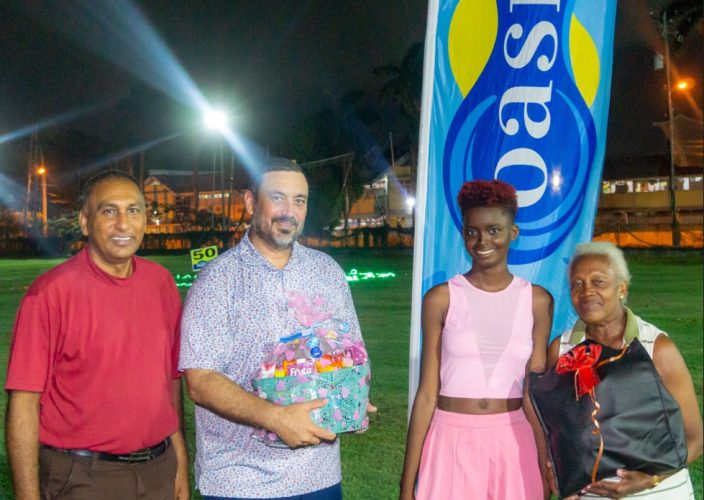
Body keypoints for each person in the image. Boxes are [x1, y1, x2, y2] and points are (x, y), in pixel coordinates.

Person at [180, 158, 369, 499]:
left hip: (319, 475)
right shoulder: (217, 280)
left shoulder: (327, 273)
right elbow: (201, 380)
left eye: (300, 200)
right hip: (240, 480)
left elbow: (349, 355)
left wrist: (351, 395)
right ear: (251, 201)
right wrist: (275, 417)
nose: (290, 211)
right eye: (278, 198)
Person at [5, 170, 189, 500]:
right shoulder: (49, 294)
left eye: (134, 210)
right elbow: (23, 403)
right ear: (85, 222)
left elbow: (170, 383)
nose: (123, 223)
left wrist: (179, 463)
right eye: (109, 211)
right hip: (84, 479)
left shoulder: (162, 284)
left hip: (158, 471)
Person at [400, 179, 553, 500]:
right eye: (472, 231)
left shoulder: (537, 301)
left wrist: (545, 460)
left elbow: (533, 394)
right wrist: (406, 487)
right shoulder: (441, 299)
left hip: (514, 440)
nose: (482, 240)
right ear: (464, 235)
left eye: (494, 230)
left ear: (513, 233)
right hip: (450, 439)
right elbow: (427, 393)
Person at [547, 241, 703, 499]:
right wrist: (558, 470)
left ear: (621, 288)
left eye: (598, 282)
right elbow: (559, 428)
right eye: (577, 284)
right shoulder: (562, 350)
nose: (586, 292)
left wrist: (650, 478)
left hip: (659, 493)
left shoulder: (657, 348)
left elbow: (695, 437)